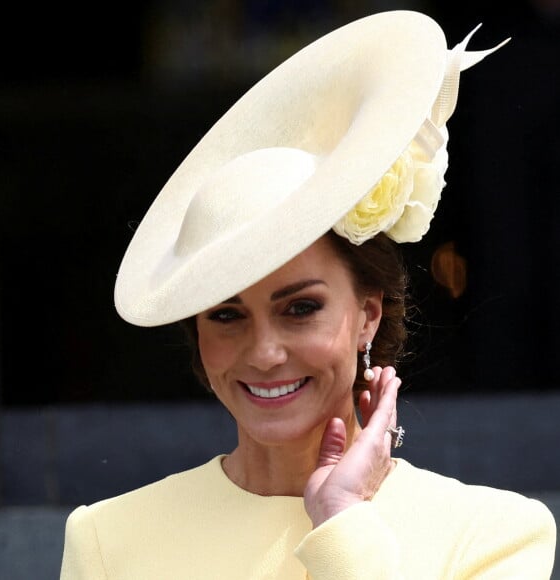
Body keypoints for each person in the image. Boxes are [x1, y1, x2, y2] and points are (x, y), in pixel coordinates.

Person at [60, 10, 556, 579]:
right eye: (226, 315)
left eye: (300, 308)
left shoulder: (495, 535)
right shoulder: (109, 539)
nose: (264, 351)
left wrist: (342, 521)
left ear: (368, 313)